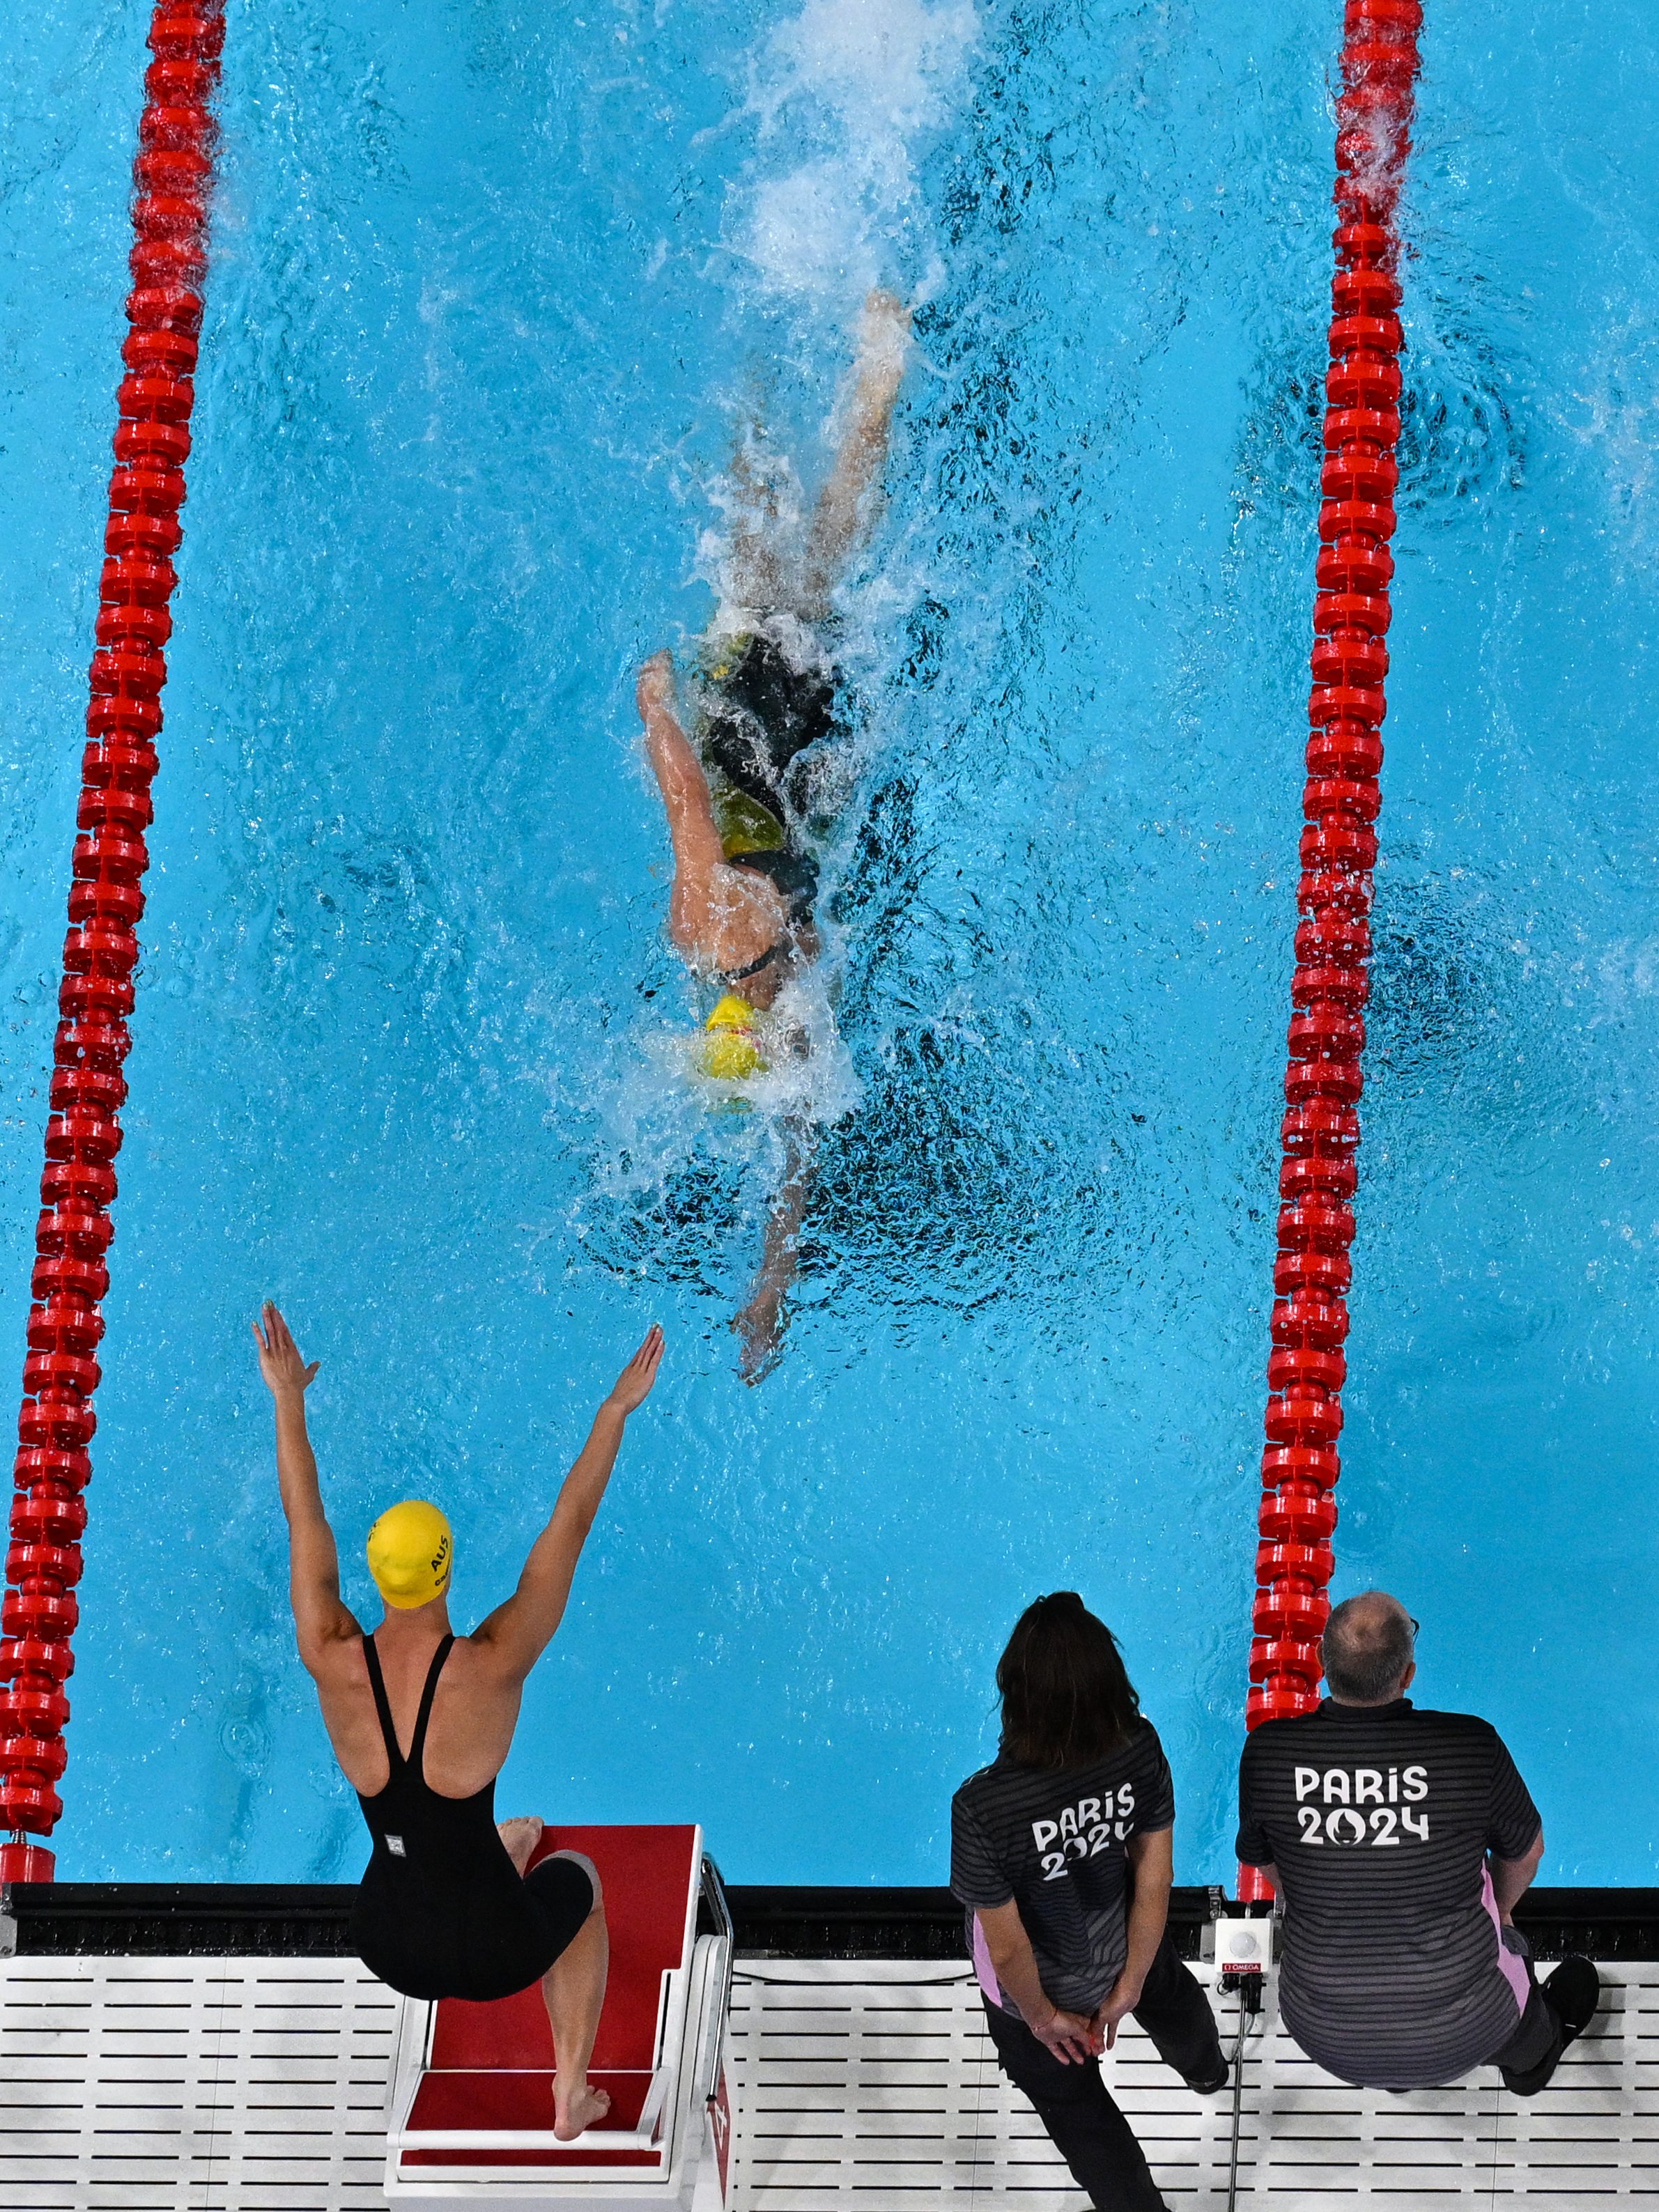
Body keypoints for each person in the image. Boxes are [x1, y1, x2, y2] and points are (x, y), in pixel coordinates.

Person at [252, 1300, 665, 2140]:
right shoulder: (488, 1663)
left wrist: (287, 1398)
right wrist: (612, 1410)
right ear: (447, 1570)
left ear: (375, 1574)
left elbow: (306, 1523)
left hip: (386, 1940)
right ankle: (569, 2093)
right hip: (489, 1952)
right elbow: (569, 1528)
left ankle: (499, 1854)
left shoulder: (330, 1652)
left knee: (429, 1839)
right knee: (580, 1879)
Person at [634, 285, 911, 1380]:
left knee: (831, 576)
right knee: (760, 545)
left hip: (819, 750)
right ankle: (763, 356)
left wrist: (771, 1287)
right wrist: (653, 706)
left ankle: (871, 385)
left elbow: (797, 1162)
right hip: (748, 712)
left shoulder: (806, 984)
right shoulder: (707, 933)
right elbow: (687, 807)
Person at [1235, 1589, 1599, 2096]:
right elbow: (1525, 1852)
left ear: (1320, 1661)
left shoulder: (1268, 1753)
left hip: (1326, 2033)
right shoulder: (1468, 1745)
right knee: (1511, 1973)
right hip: (1469, 2025)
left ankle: (1396, 2078)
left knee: (1394, 2014)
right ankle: (1531, 2061)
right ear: (1407, 1676)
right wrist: (1501, 1911)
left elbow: (1266, 1864)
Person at [950, 1593, 1227, 2212]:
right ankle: (1207, 2071)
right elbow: (1156, 1876)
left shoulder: (982, 1806)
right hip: (1127, 1944)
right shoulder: (1137, 1745)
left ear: (1014, 1694)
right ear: (1109, 1679)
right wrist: (1128, 1981)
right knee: (1172, 1998)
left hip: (1039, 1994)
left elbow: (1007, 1944)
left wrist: (1043, 2017)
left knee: (1081, 2117)